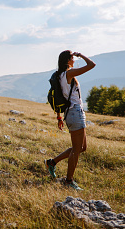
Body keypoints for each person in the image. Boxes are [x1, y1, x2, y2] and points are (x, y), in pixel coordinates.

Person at [45, 50, 96, 190]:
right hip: (75, 113)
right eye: (73, 58)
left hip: (72, 113)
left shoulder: (59, 75)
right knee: (77, 149)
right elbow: (92, 65)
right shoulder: (68, 73)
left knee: (81, 148)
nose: (74, 59)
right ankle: (68, 181)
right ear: (68, 60)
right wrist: (81, 55)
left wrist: (59, 117)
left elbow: (59, 96)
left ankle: (52, 162)